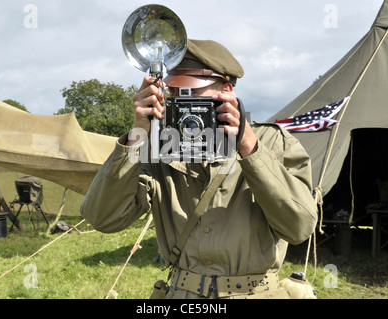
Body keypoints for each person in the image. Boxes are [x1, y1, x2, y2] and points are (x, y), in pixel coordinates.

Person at [81, 39, 318, 299]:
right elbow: (103, 218)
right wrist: (137, 136)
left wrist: (249, 147)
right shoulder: (157, 150)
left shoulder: (273, 143)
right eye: (172, 93)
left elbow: (299, 227)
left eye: (191, 93)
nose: (181, 104)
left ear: (226, 91)